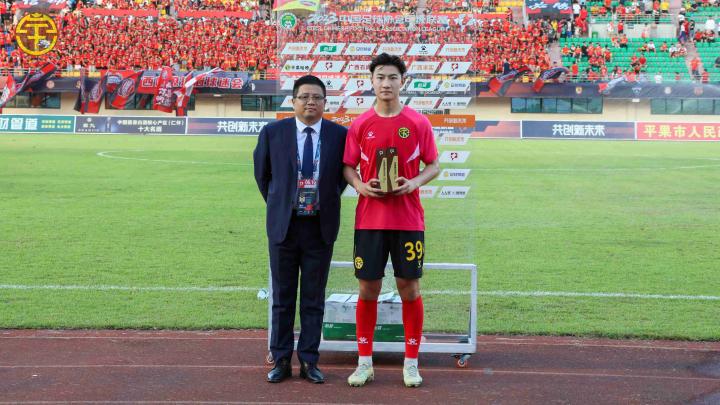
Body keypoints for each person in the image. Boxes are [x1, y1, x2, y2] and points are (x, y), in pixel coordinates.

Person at [342, 53, 440, 388]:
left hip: (408, 220)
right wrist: (359, 186)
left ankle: (411, 363)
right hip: (369, 220)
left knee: (409, 288)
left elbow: (433, 165)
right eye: (380, 77)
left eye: (393, 77)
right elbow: (348, 167)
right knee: (367, 288)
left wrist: (413, 183)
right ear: (372, 81)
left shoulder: (418, 122)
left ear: (403, 82)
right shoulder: (360, 124)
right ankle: (364, 363)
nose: (386, 83)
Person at [253, 75, 348, 384]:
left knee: (313, 298)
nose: (310, 102)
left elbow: (341, 179)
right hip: (285, 226)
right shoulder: (273, 133)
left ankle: (309, 360)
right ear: (292, 101)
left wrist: (321, 200)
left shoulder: (339, 135)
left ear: (325, 102)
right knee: (282, 296)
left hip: (320, 226)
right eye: (304, 97)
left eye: (317, 97)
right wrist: (282, 203)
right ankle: (281, 359)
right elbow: (263, 176)